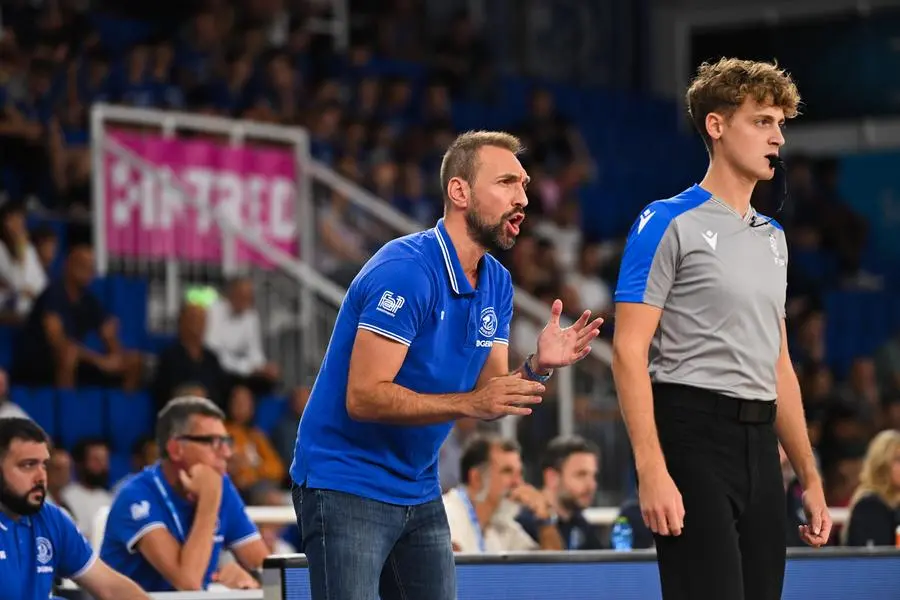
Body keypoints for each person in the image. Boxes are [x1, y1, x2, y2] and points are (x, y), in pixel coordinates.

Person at [291, 130, 603, 600]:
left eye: (523, 185)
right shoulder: (405, 270)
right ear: (459, 192)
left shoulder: (496, 280)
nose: (522, 199)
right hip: (344, 482)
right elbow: (364, 396)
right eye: (506, 183)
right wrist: (472, 402)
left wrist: (538, 366)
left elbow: (491, 392)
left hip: (418, 486)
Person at [611, 58, 831, 600]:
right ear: (716, 125)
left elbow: (778, 364)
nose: (778, 137)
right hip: (691, 437)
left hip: (761, 449)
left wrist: (810, 476)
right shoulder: (665, 220)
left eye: (781, 124)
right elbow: (627, 350)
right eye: (762, 121)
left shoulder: (774, 237)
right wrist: (651, 468)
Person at [100, 396, 270, 592]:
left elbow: (267, 569)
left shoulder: (220, 485)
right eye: (213, 442)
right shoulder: (136, 496)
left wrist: (251, 580)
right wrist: (210, 499)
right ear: (176, 449)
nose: (226, 453)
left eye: (226, 441)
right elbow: (188, 583)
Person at [0, 417, 149, 600]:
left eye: (44, 465)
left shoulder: (51, 518)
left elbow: (109, 587)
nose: (41, 477)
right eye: (28, 465)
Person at [443, 433, 563, 552]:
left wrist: (545, 519)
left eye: (520, 473)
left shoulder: (503, 524)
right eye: (507, 471)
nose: (518, 482)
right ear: (477, 478)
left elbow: (552, 569)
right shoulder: (446, 515)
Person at [516, 434, 605, 550]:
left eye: (593, 476)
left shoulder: (580, 524)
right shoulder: (525, 524)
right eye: (581, 475)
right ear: (552, 478)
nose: (591, 485)